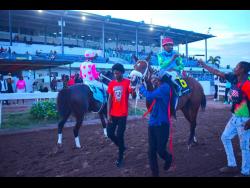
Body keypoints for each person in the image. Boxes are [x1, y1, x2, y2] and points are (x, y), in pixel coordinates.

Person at [198, 60, 250, 177]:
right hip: (235, 117)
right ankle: (232, 165)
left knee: (245, 146)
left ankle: (245, 172)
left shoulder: (248, 85)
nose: (234, 68)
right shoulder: (234, 78)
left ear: (242, 70)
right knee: (225, 137)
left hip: (245, 120)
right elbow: (217, 72)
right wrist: (204, 65)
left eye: (236, 67)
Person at [139, 71, 173, 177]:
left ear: (161, 80)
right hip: (153, 123)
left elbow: (149, 96)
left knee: (160, 150)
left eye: (155, 79)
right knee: (151, 151)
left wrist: (141, 88)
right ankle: (155, 173)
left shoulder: (165, 88)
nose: (154, 80)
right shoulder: (160, 87)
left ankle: (168, 158)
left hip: (162, 124)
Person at [107, 63, 133, 168]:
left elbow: (133, 93)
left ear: (122, 73)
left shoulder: (128, 82)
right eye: (114, 73)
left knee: (120, 135)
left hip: (122, 114)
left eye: (117, 73)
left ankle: (120, 157)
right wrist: (108, 114)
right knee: (109, 134)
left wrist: (135, 87)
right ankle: (122, 147)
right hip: (113, 114)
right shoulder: (111, 84)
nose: (115, 75)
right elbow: (109, 99)